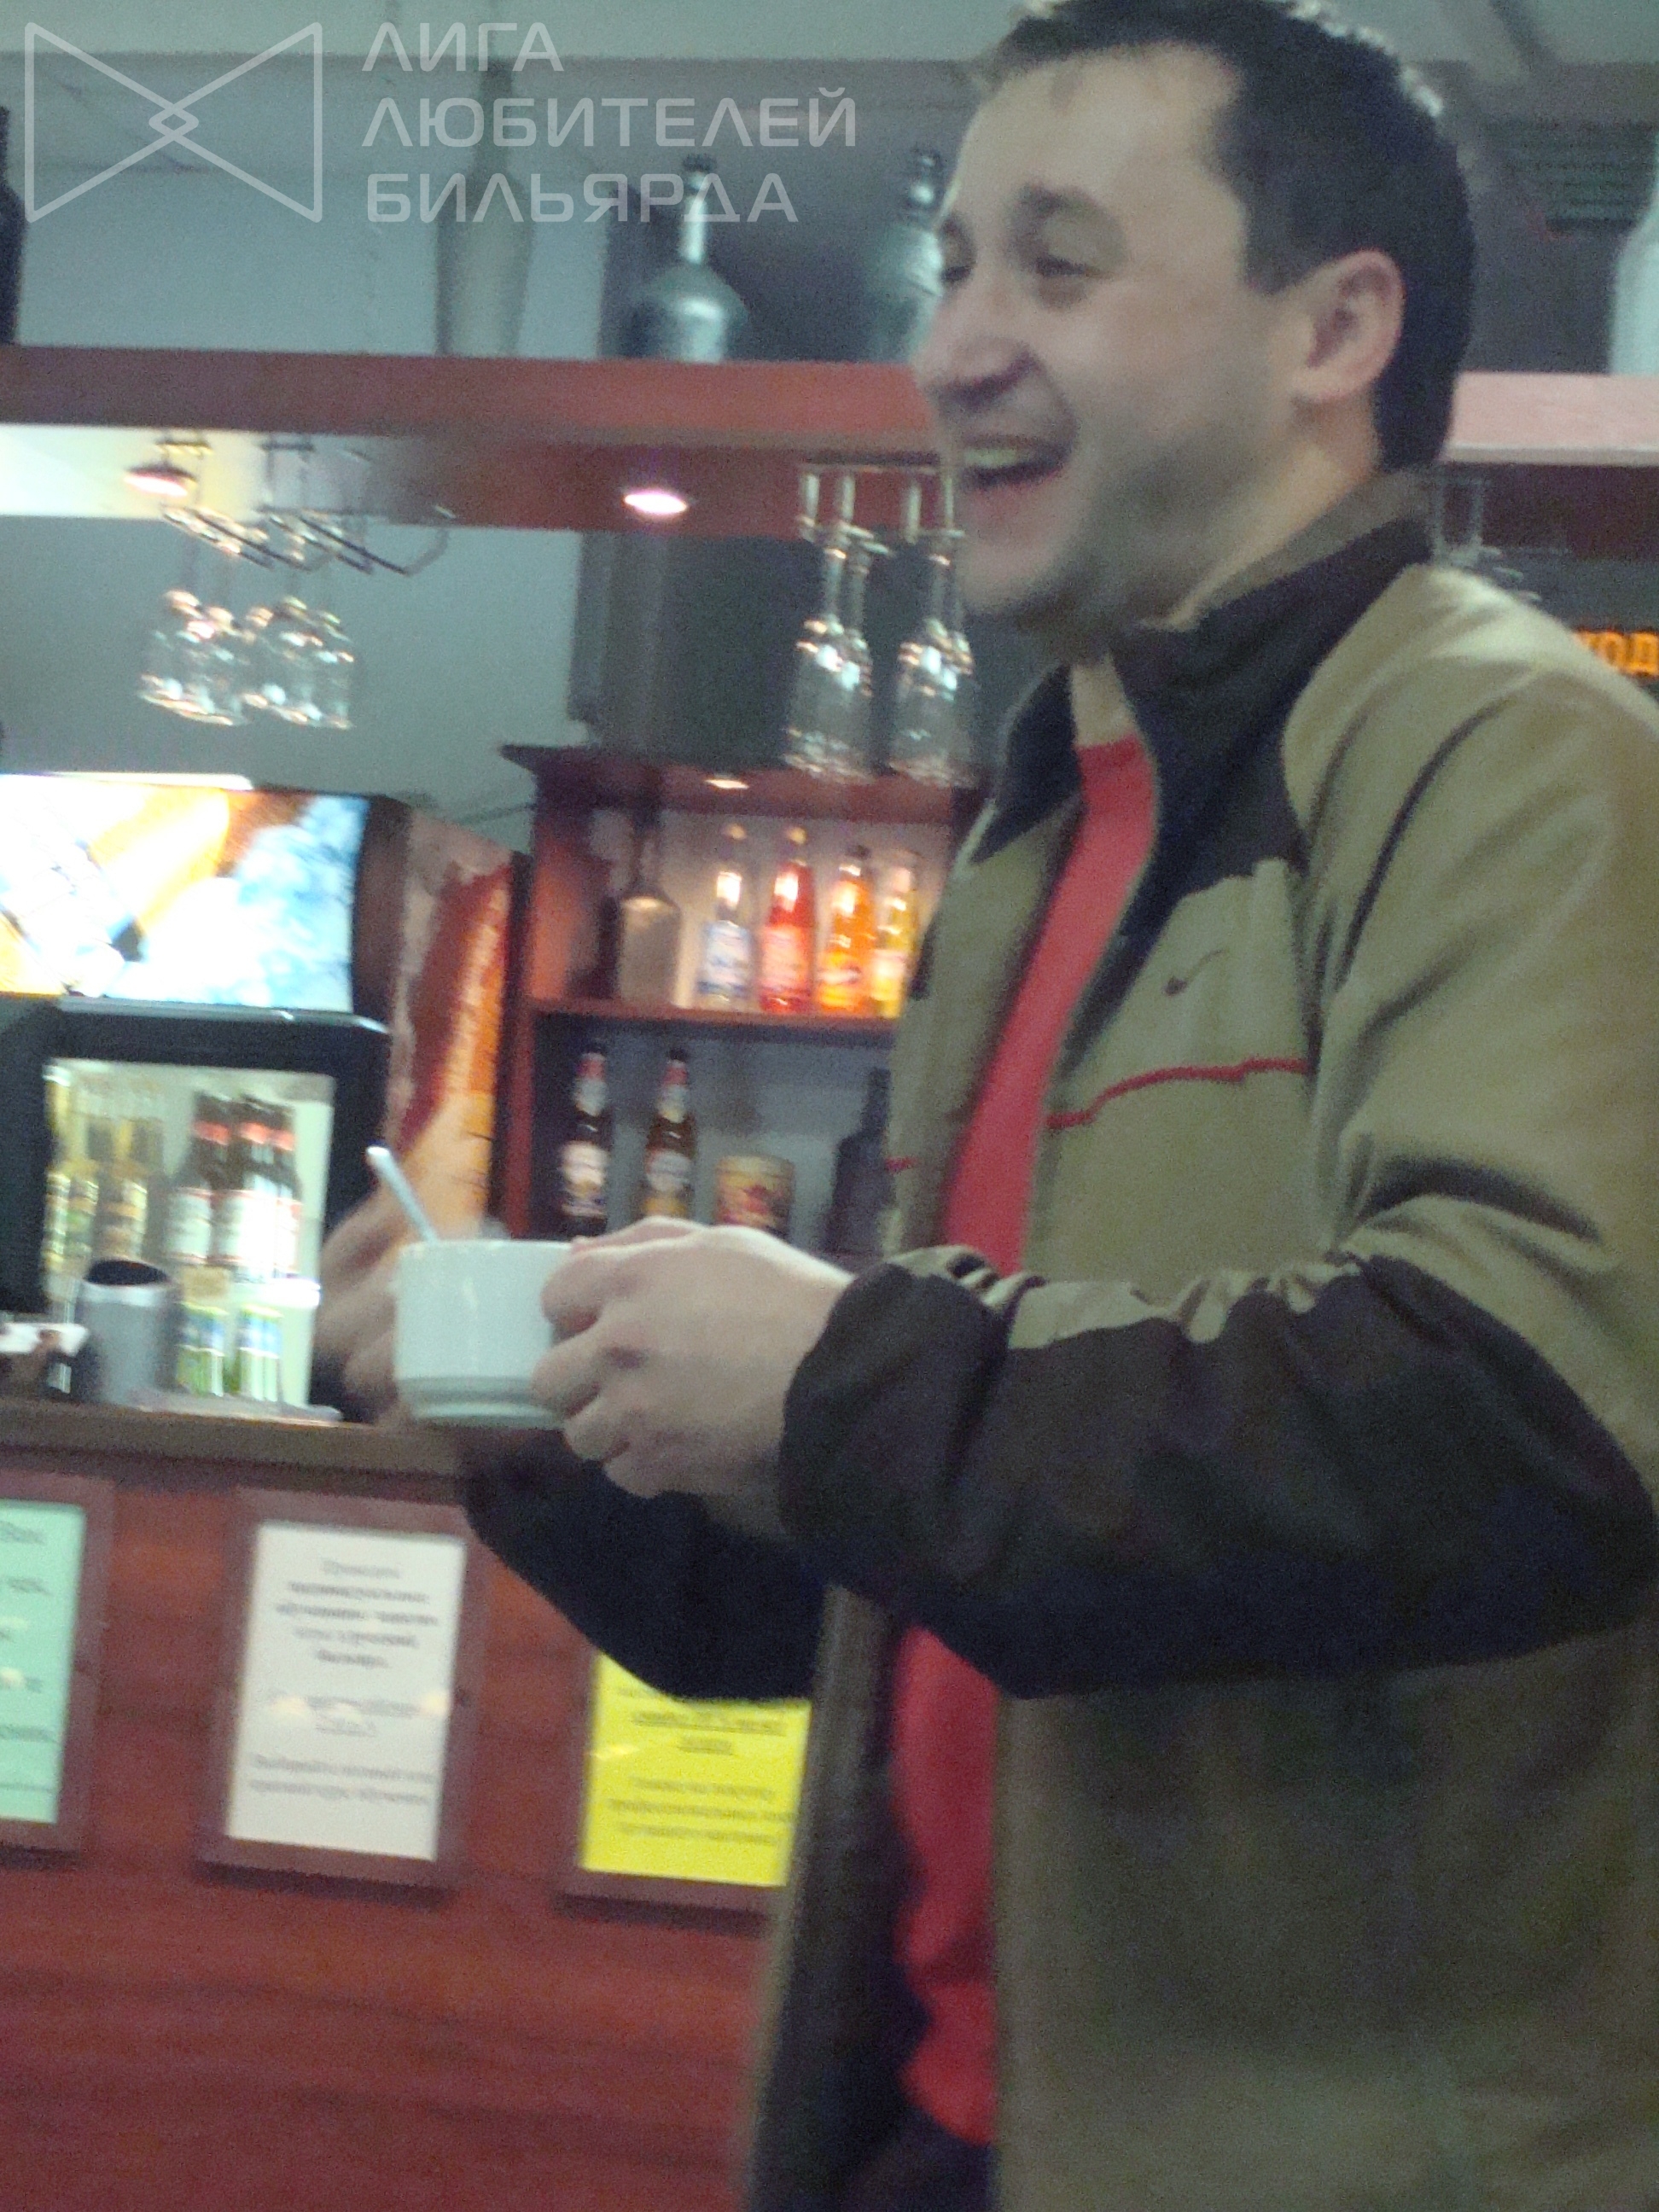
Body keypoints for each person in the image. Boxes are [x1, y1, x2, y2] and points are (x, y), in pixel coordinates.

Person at [317, 3, 1659, 2205]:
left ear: (1335, 330)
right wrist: (547, 1409)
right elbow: (918, 1582)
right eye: (952, 268)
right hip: (947, 2126)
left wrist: (846, 1374)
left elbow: (1527, 1425)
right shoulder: (1042, 835)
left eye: (1058, 261)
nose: (953, 347)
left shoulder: (1509, 755)